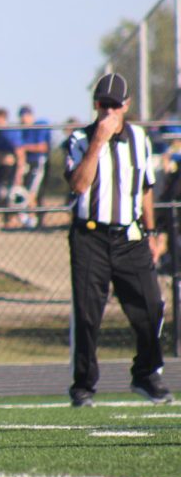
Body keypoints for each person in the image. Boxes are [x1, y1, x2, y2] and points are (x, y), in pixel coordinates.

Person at [64, 72, 172, 407]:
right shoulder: (79, 140)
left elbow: (146, 190)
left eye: (114, 105)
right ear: (95, 105)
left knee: (151, 307)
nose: (108, 111)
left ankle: (146, 374)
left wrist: (152, 233)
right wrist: (98, 142)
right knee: (87, 314)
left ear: (126, 105)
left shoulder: (140, 139)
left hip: (131, 237)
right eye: (102, 105)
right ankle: (83, 385)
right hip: (90, 236)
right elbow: (79, 185)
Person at [16, 105, 52, 227]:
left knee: (33, 191)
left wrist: (25, 148)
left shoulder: (39, 126)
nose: (23, 119)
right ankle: (32, 218)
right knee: (28, 191)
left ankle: (33, 218)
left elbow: (43, 147)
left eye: (25, 116)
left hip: (38, 162)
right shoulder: (23, 130)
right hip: (28, 163)